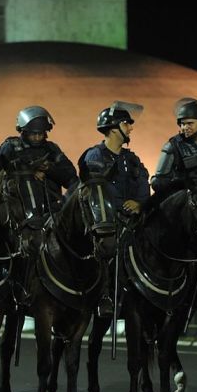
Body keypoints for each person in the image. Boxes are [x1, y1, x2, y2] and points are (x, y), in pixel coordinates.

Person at [79, 102, 150, 315]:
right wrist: (117, 208)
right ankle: (104, 296)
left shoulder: (131, 159)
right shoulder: (95, 156)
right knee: (107, 254)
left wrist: (139, 204)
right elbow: (95, 191)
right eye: (127, 124)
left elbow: (143, 185)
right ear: (113, 128)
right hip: (106, 221)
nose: (130, 128)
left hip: (132, 219)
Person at [0, 105, 78, 203]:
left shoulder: (51, 149)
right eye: (33, 134)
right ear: (24, 132)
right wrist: (30, 174)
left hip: (51, 208)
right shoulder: (10, 148)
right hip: (18, 209)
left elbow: (71, 178)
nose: (37, 137)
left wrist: (50, 169)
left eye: (41, 134)